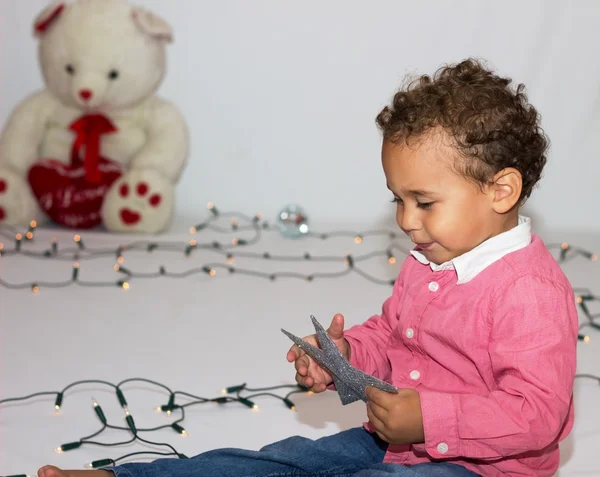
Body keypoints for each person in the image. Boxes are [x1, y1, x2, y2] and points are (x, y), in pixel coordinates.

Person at [37, 58, 578, 477]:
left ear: (501, 190)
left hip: (480, 467)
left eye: (424, 201)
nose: (406, 220)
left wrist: (429, 421)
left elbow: (536, 414)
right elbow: (395, 335)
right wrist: (346, 355)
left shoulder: (528, 291)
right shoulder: (430, 256)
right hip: (397, 441)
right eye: (397, 199)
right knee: (285, 460)